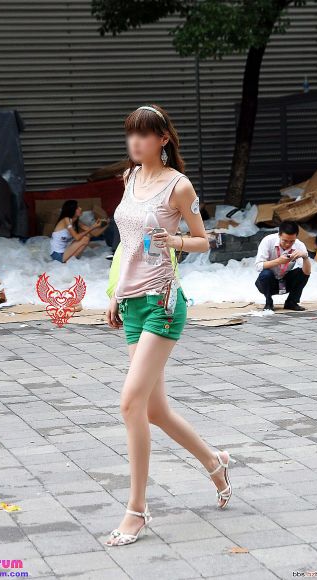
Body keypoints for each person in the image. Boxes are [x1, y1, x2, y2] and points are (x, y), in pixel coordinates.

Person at [105, 104, 236, 548]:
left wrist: (174, 240)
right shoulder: (129, 178)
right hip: (133, 303)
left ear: (163, 139)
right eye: (130, 134)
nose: (135, 142)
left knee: (130, 405)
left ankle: (136, 509)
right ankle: (215, 462)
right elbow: (126, 245)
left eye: (144, 134)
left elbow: (204, 240)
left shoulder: (179, 185)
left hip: (163, 303)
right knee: (154, 410)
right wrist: (116, 293)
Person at [255, 220, 311, 311]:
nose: (288, 244)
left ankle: (291, 302)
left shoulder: (299, 245)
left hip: (285, 281)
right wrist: (278, 261)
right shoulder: (268, 241)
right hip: (268, 282)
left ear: (296, 237)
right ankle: (269, 302)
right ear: (279, 235)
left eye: (292, 241)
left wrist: (305, 257)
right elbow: (258, 266)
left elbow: (307, 272)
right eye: (284, 241)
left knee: (301, 273)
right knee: (266, 274)